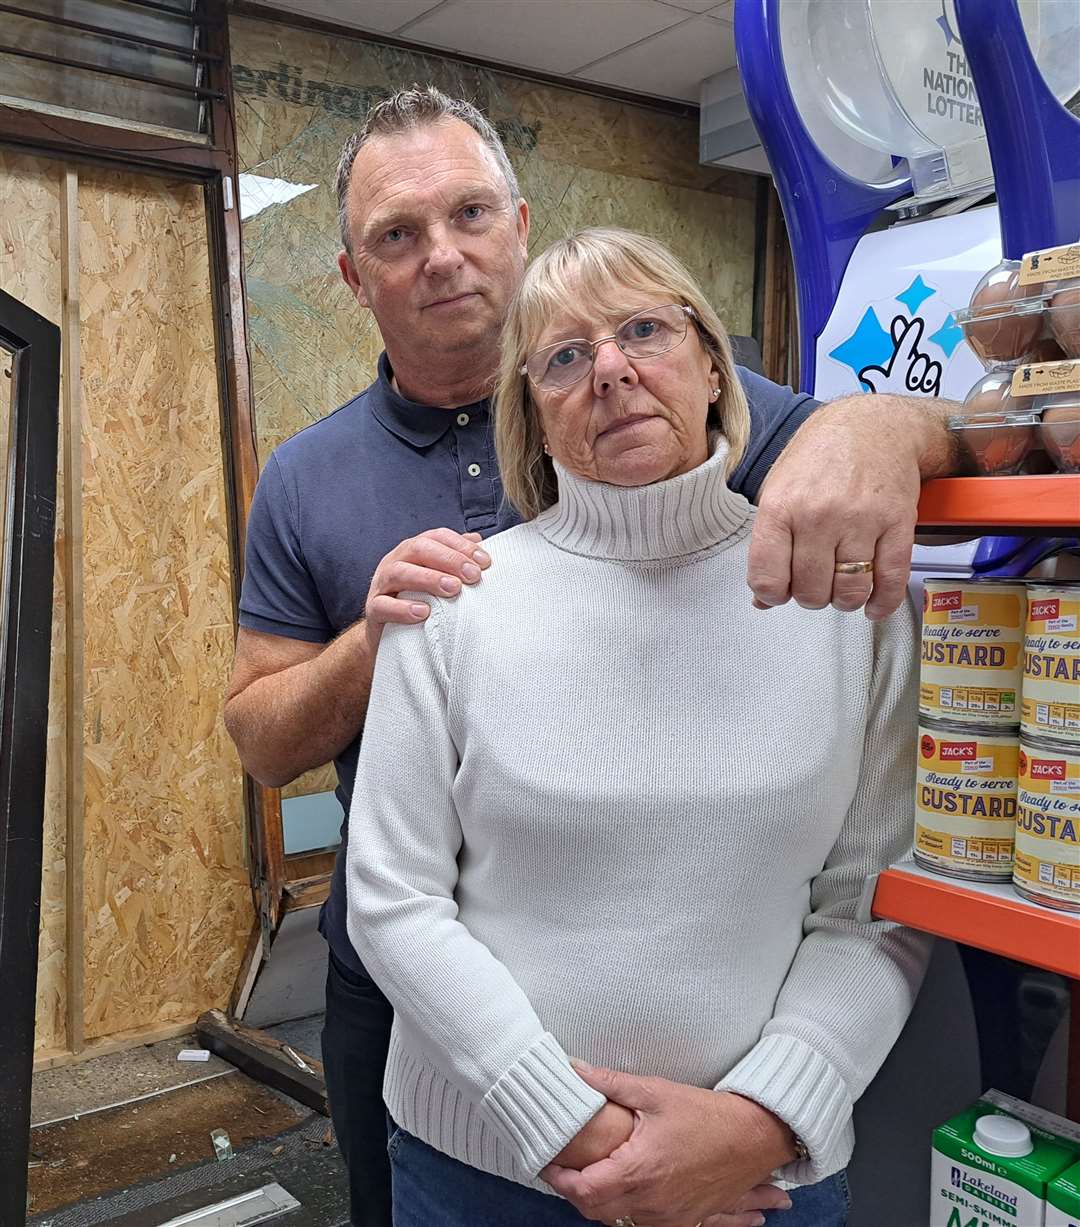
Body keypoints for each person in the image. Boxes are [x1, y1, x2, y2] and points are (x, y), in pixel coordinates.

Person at [224, 88, 956, 1227]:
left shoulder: (817, 568)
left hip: (753, 1163)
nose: (444, 255)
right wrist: (385, 635)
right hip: (434, 1057)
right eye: (397, 236)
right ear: (353, 279)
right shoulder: (314, 484)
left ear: (519, 225)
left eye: (469, 213)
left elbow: (871, 898)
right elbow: (271, 752)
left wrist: (879, 422)